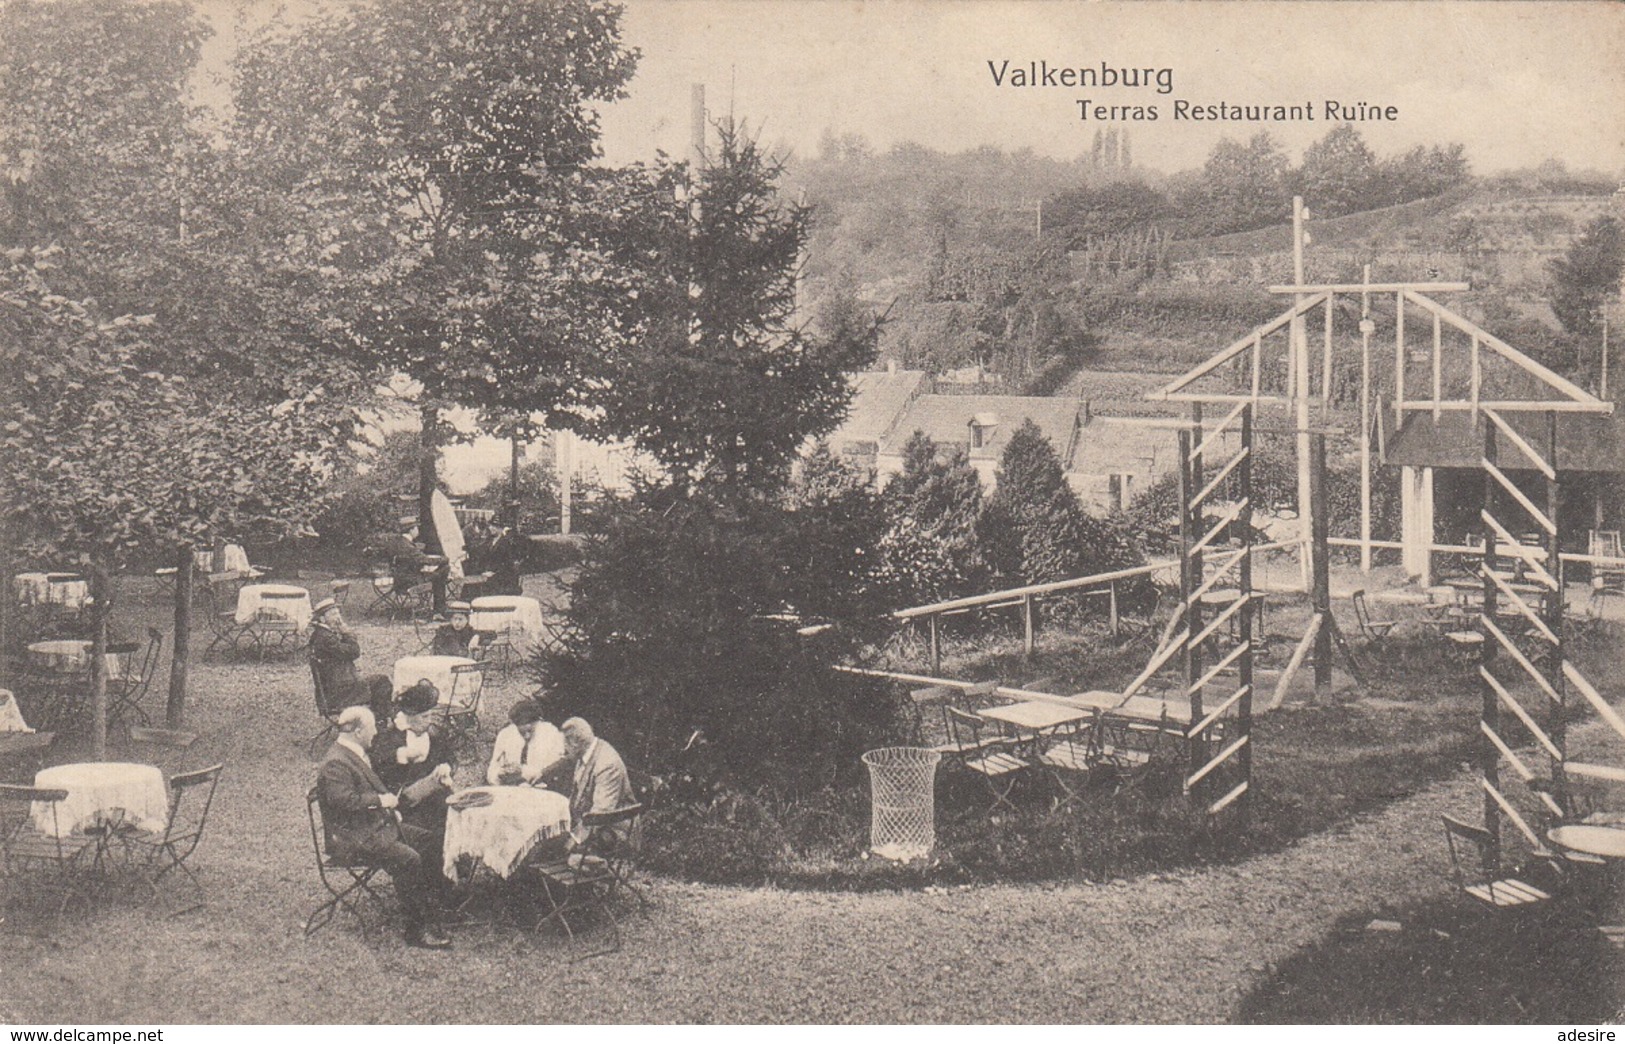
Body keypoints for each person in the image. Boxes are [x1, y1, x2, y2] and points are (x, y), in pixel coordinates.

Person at [315, 706, 451, 950]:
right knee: (408, 859)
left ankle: (434, 907)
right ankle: (415, 930)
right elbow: (343, 801)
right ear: (357, 731)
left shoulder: (351, 754)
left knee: (429, 841)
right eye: (372, 728)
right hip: (353, 839)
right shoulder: (335, 762)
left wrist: (388, 810)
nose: (376, 733)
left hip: (373, 828)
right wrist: (380, 802)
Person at [308, 599, 392, 719]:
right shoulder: (326, 638)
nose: (338, 618)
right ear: (322, 619)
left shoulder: (321, 634)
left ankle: (378, 721)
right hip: (341, 693)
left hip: (336, 688)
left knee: (378, 681)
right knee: (381, 681)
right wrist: (347, 633)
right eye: (332, 614)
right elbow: (354, 652)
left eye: (338, 613)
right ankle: (381, 722)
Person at [560, 717, 636, 847]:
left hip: (614, 830)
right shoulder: (587, 751)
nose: (562, 752)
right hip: (590, 824)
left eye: (565, 748)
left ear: (575, 743)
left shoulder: (606, 764)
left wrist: (574, 839)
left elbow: (601, 813)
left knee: (565, 857)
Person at [487, 700, 569, 789]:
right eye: (522, 732)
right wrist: (499, 775)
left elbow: (552, 772)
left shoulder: (552, 734)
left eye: (530, 731)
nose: (526, 736)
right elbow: (493, 768)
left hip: (542, 790)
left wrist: (522, 771)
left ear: (538, 721)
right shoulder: (506, 735)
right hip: (511, 789)